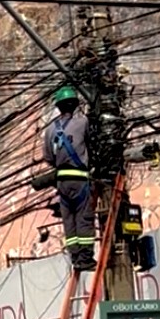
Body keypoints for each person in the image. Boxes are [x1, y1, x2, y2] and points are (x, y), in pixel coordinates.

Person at [43, 85, 96, 271]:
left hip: (62, 183)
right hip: (80, 179)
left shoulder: (50, 130)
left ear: (58, 106)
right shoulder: (83, 123)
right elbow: (91, 144)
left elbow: (49, 158)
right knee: (84, 219)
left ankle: (75, 258)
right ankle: (86, 259)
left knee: (69, 221)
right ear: (74, 105)